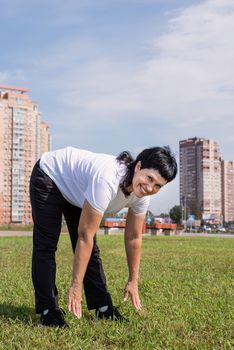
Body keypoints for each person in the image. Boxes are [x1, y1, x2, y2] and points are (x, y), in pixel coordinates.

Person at [29, 145, 177, 328]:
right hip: (50, 175)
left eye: (158, 186)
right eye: (149, 178)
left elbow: (133, 237)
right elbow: (85, 237)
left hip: (76, 189)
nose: (150, 188)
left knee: (91, 249)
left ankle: (103, 306)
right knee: (47, 245)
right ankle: (48, 311)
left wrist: (133, 280)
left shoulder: (142, 195)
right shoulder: (107, 179)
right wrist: (76, 286)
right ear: (138, 166)